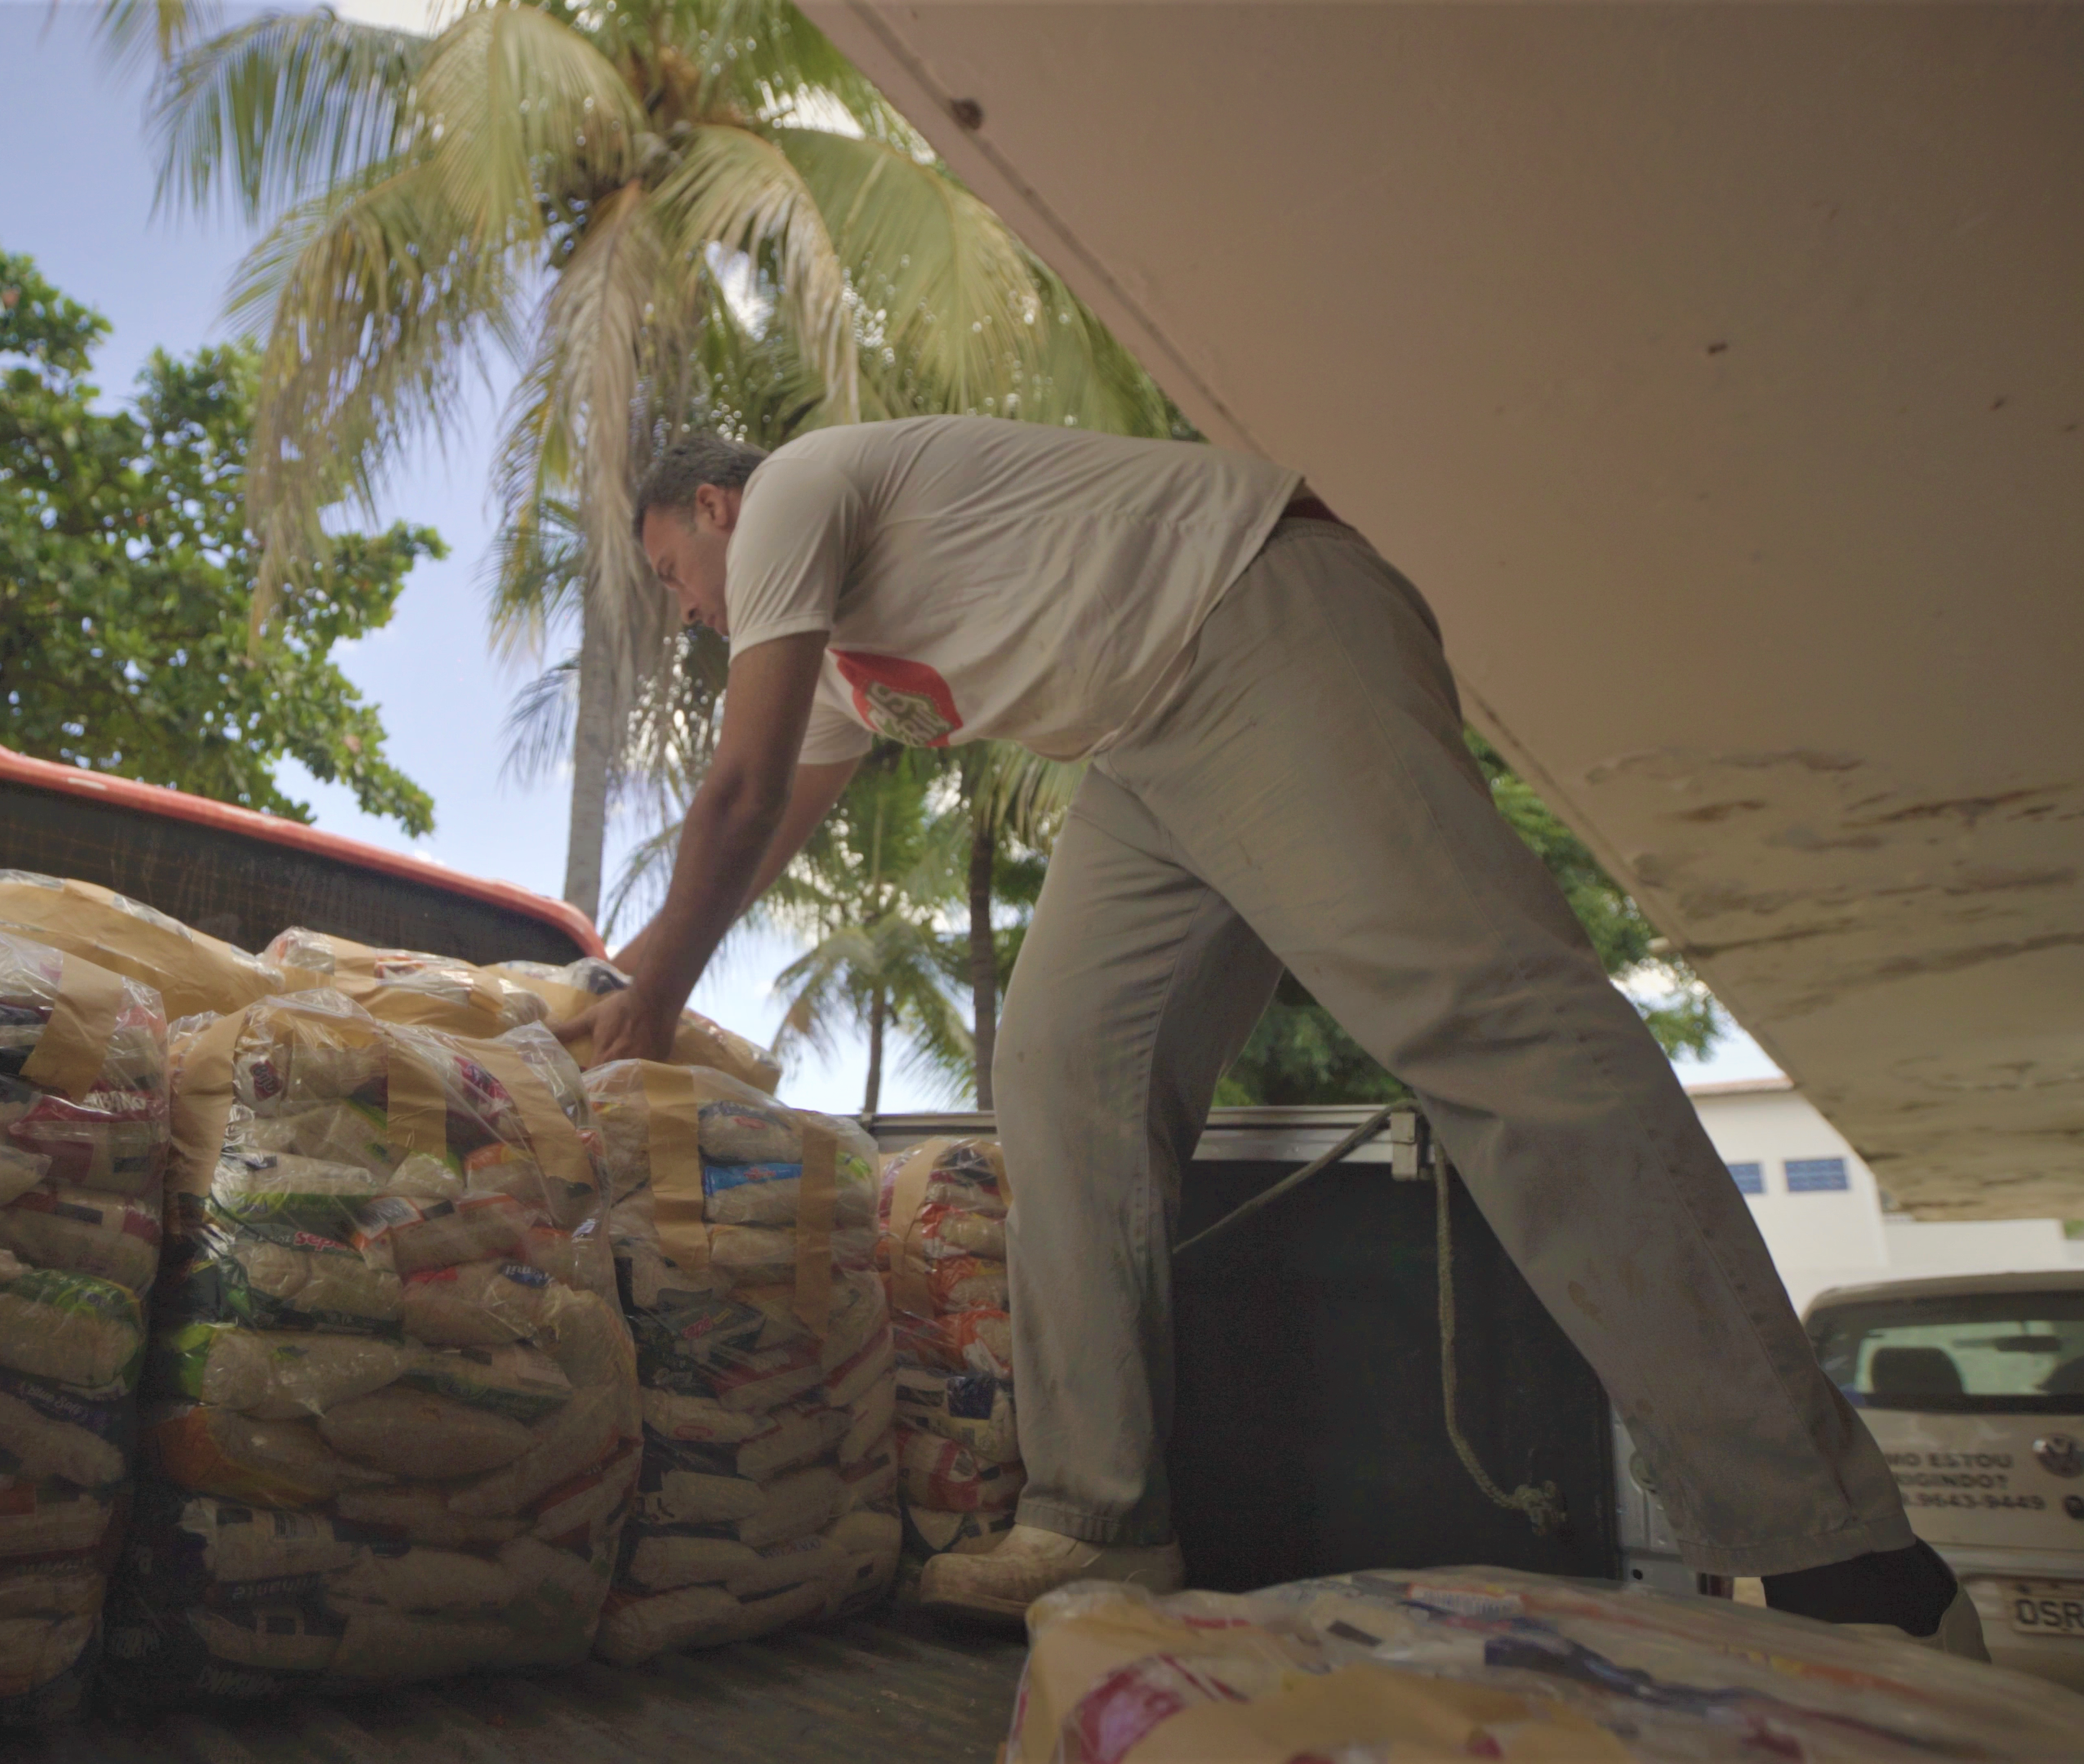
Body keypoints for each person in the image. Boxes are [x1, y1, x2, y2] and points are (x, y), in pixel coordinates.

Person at [555, 416, 1983, 1655]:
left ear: (716, 511)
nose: (687, 617)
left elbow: (733, 797)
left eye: (674, 579)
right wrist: (644, 970)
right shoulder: (853, 678)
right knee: (1059, 1071)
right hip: (1139, 742)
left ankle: (1840, 1547)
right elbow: (777, 818)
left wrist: (650, 1002)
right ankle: (1102, 1521)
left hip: (1255, 615)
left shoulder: (799, 484)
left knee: (1484, 1021)